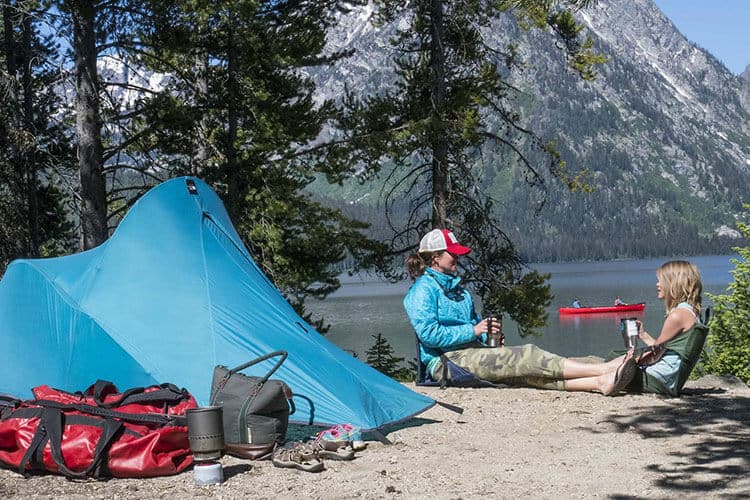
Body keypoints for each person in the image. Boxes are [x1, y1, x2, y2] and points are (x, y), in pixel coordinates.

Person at [403, 228, 637, 396]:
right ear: (435, 257)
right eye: (453, 254)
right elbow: (429, 335)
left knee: (528, 373)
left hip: (470, 354)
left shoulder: (460, 292)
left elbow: (475, 326)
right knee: (527, 355)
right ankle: (605, 369)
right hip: (445, 363)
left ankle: (599, 381)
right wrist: (473, 330)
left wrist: (486, 334)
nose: (459, 258)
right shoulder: (423, 290)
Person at [625, 260, 708, 396]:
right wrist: (644, 335)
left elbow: (654, 355)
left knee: (611, 368)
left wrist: (632, 361)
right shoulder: (688, 311)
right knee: (608, 368)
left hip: (658, 379)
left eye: (661, 281)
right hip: (667, 378)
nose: (657, 284)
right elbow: (664, 350)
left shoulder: (677, 315)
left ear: (674, 284)